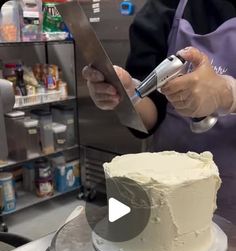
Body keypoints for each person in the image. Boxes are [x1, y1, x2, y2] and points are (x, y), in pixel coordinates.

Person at [82, 0, 236, 222]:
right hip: (167, 197)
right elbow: (150, 116)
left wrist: (226, 93)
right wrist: (126, 95)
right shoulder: (163, 8)